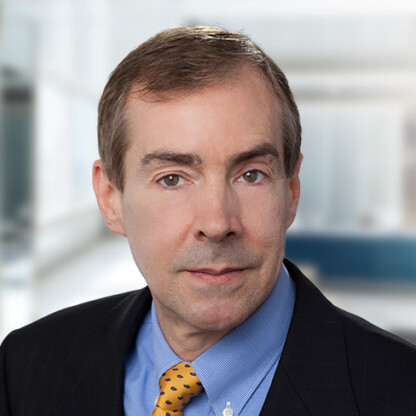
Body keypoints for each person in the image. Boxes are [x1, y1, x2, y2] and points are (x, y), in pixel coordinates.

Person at [1, 26, 416, 416]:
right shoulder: (25, 366)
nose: (217, 224)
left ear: (291, 191)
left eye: (251, 175)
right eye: (172, 179)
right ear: (110, 199)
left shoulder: (401, 390)